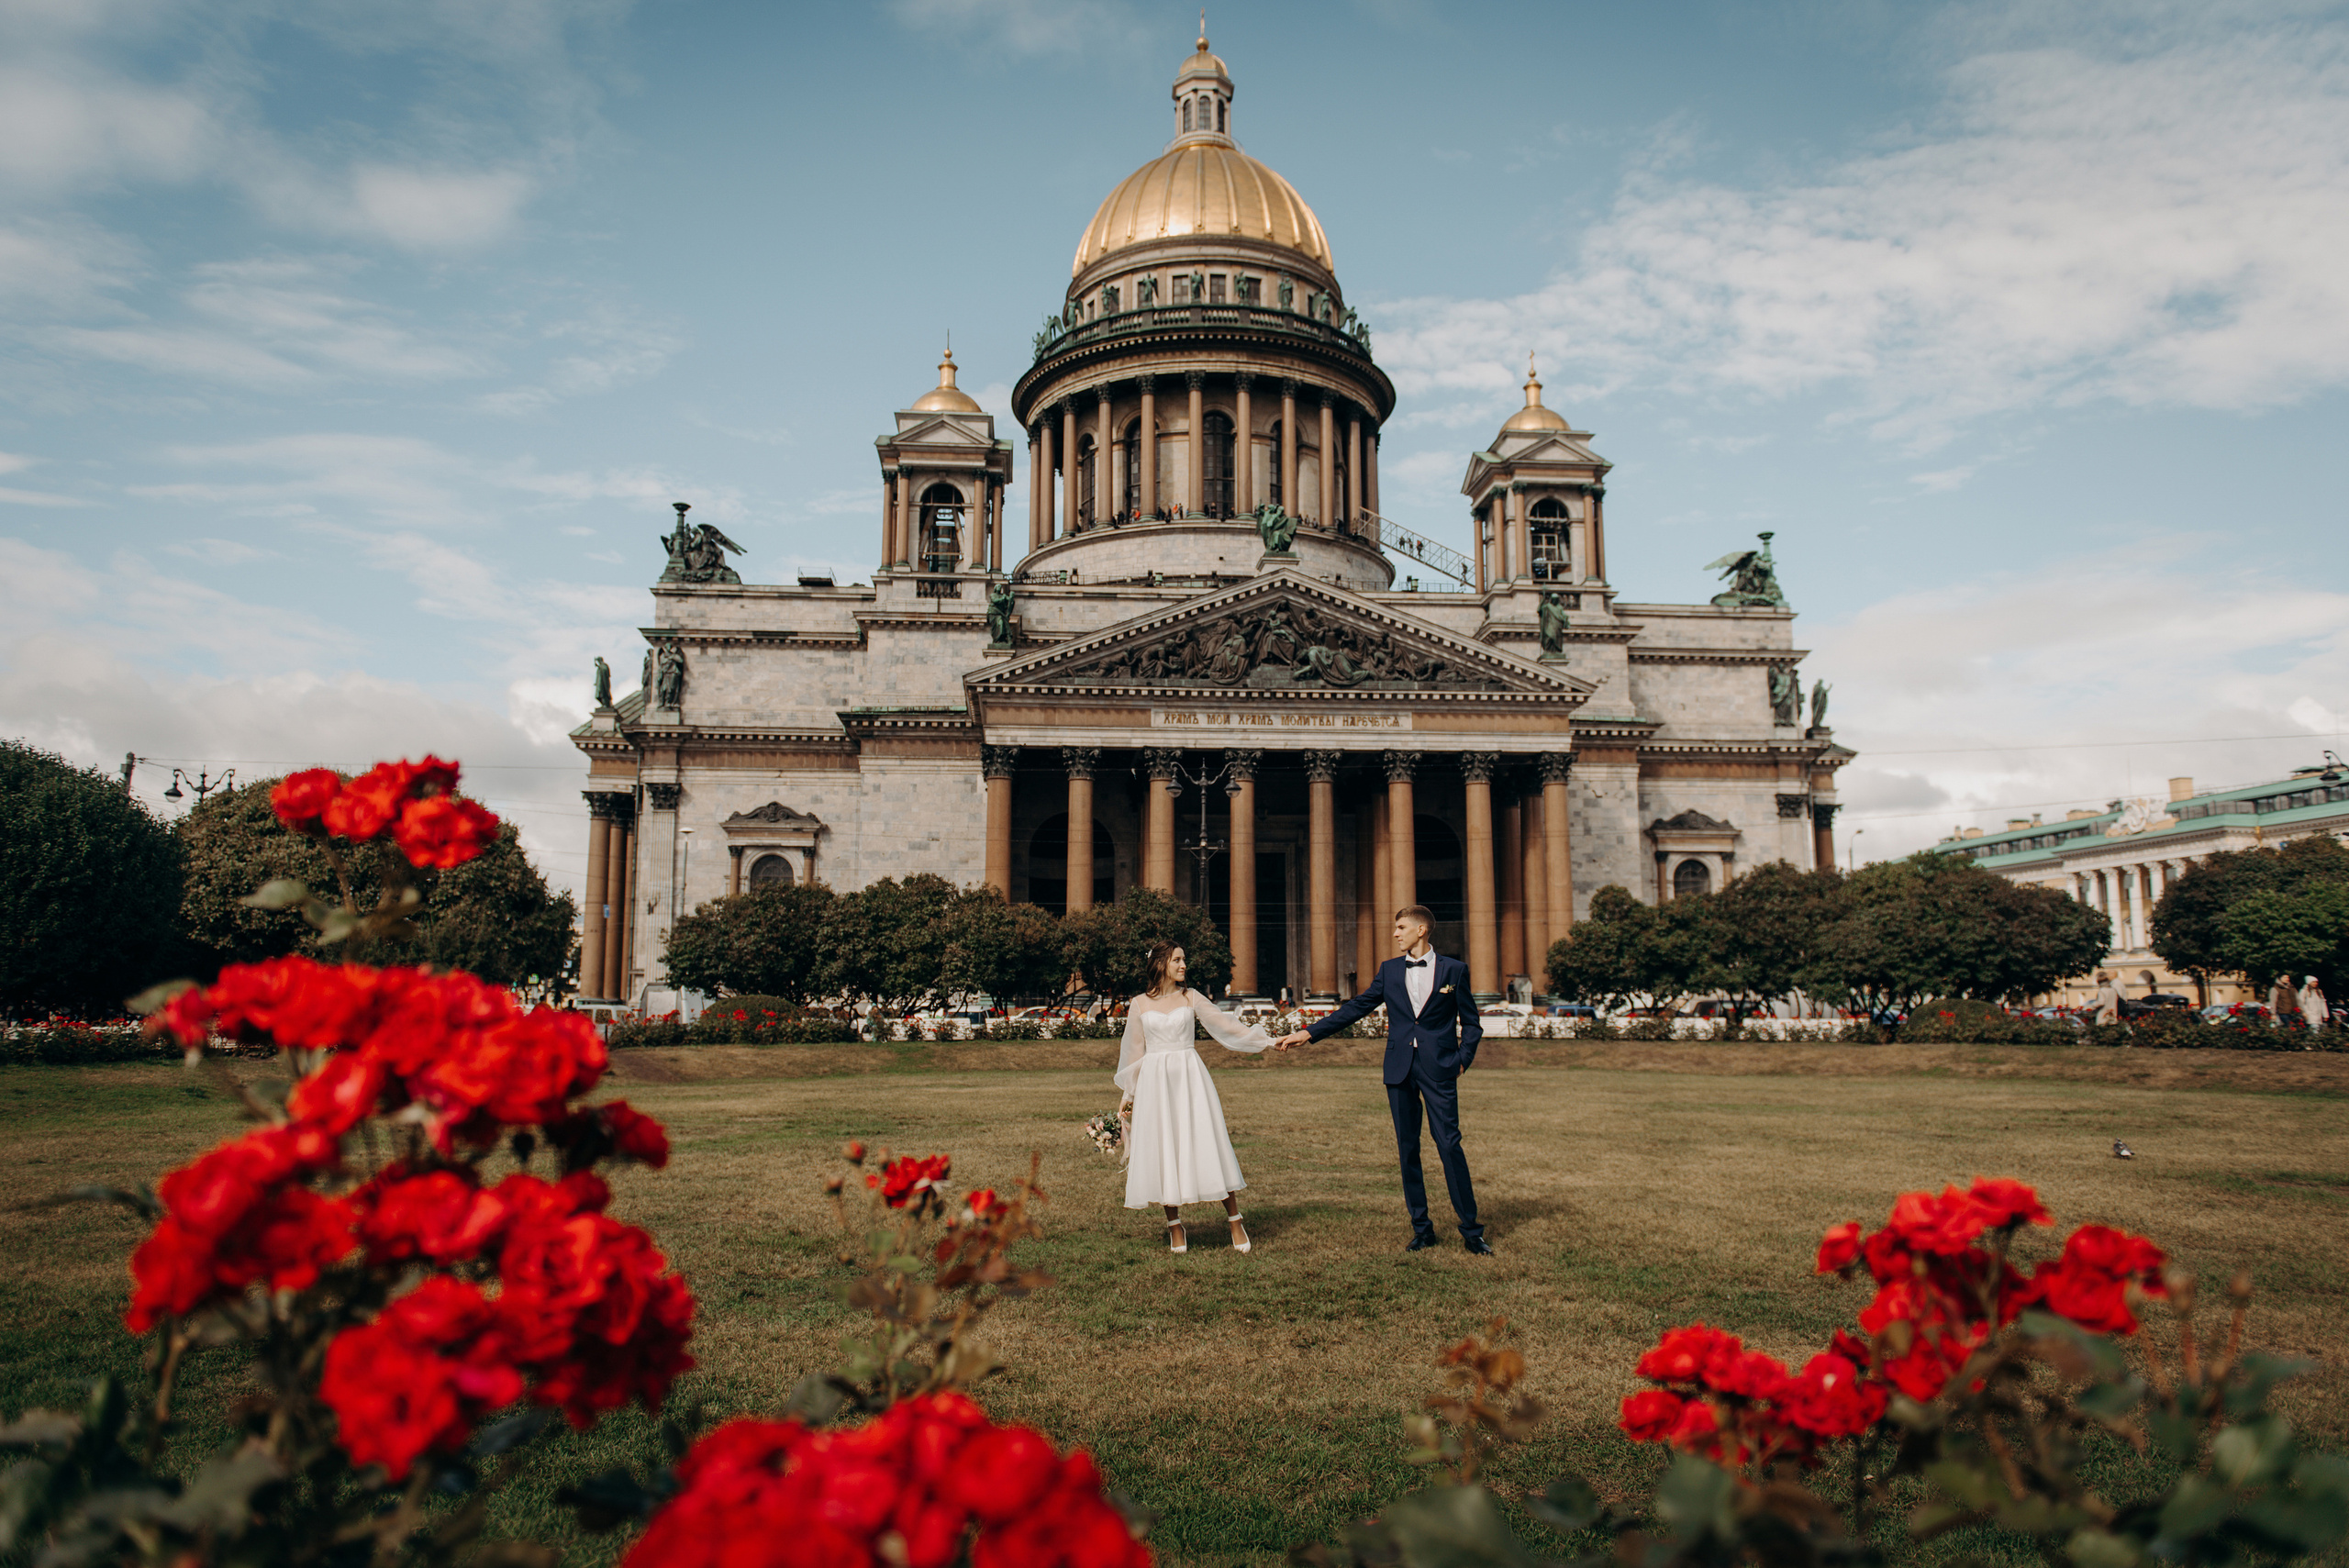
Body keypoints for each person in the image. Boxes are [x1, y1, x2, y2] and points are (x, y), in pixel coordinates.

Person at [1276, 906, 1489, 1254]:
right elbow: (1356, 1007)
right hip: (1399, 1068)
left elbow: (1473, 1022)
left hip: (1440, 1069)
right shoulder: (1389, 971)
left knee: (1449, 1144)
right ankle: (1422, 1228)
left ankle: (1471, 1231)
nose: (1395, 933)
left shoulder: (1455, 970)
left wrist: (1462, 1061)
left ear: (1422, 930)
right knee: (1408, 1150)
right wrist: (1309, 1033)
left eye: (1401, 927)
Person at [1116, 941, 1273, 1254]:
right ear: (1161, 964)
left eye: (1184, 959)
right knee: (1163, 1148)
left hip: (1190, 1076)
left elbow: (1226, 1026)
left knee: (1208, 1141)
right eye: (1177, 960)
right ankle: (1175, 1226)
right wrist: (1128, 1095)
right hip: (1155, 1081)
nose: (1183, 965)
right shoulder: (1139, 1004)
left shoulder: (1191, 997)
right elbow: (1135, 1052)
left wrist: (1267, 1041)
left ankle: (1235, 1220)